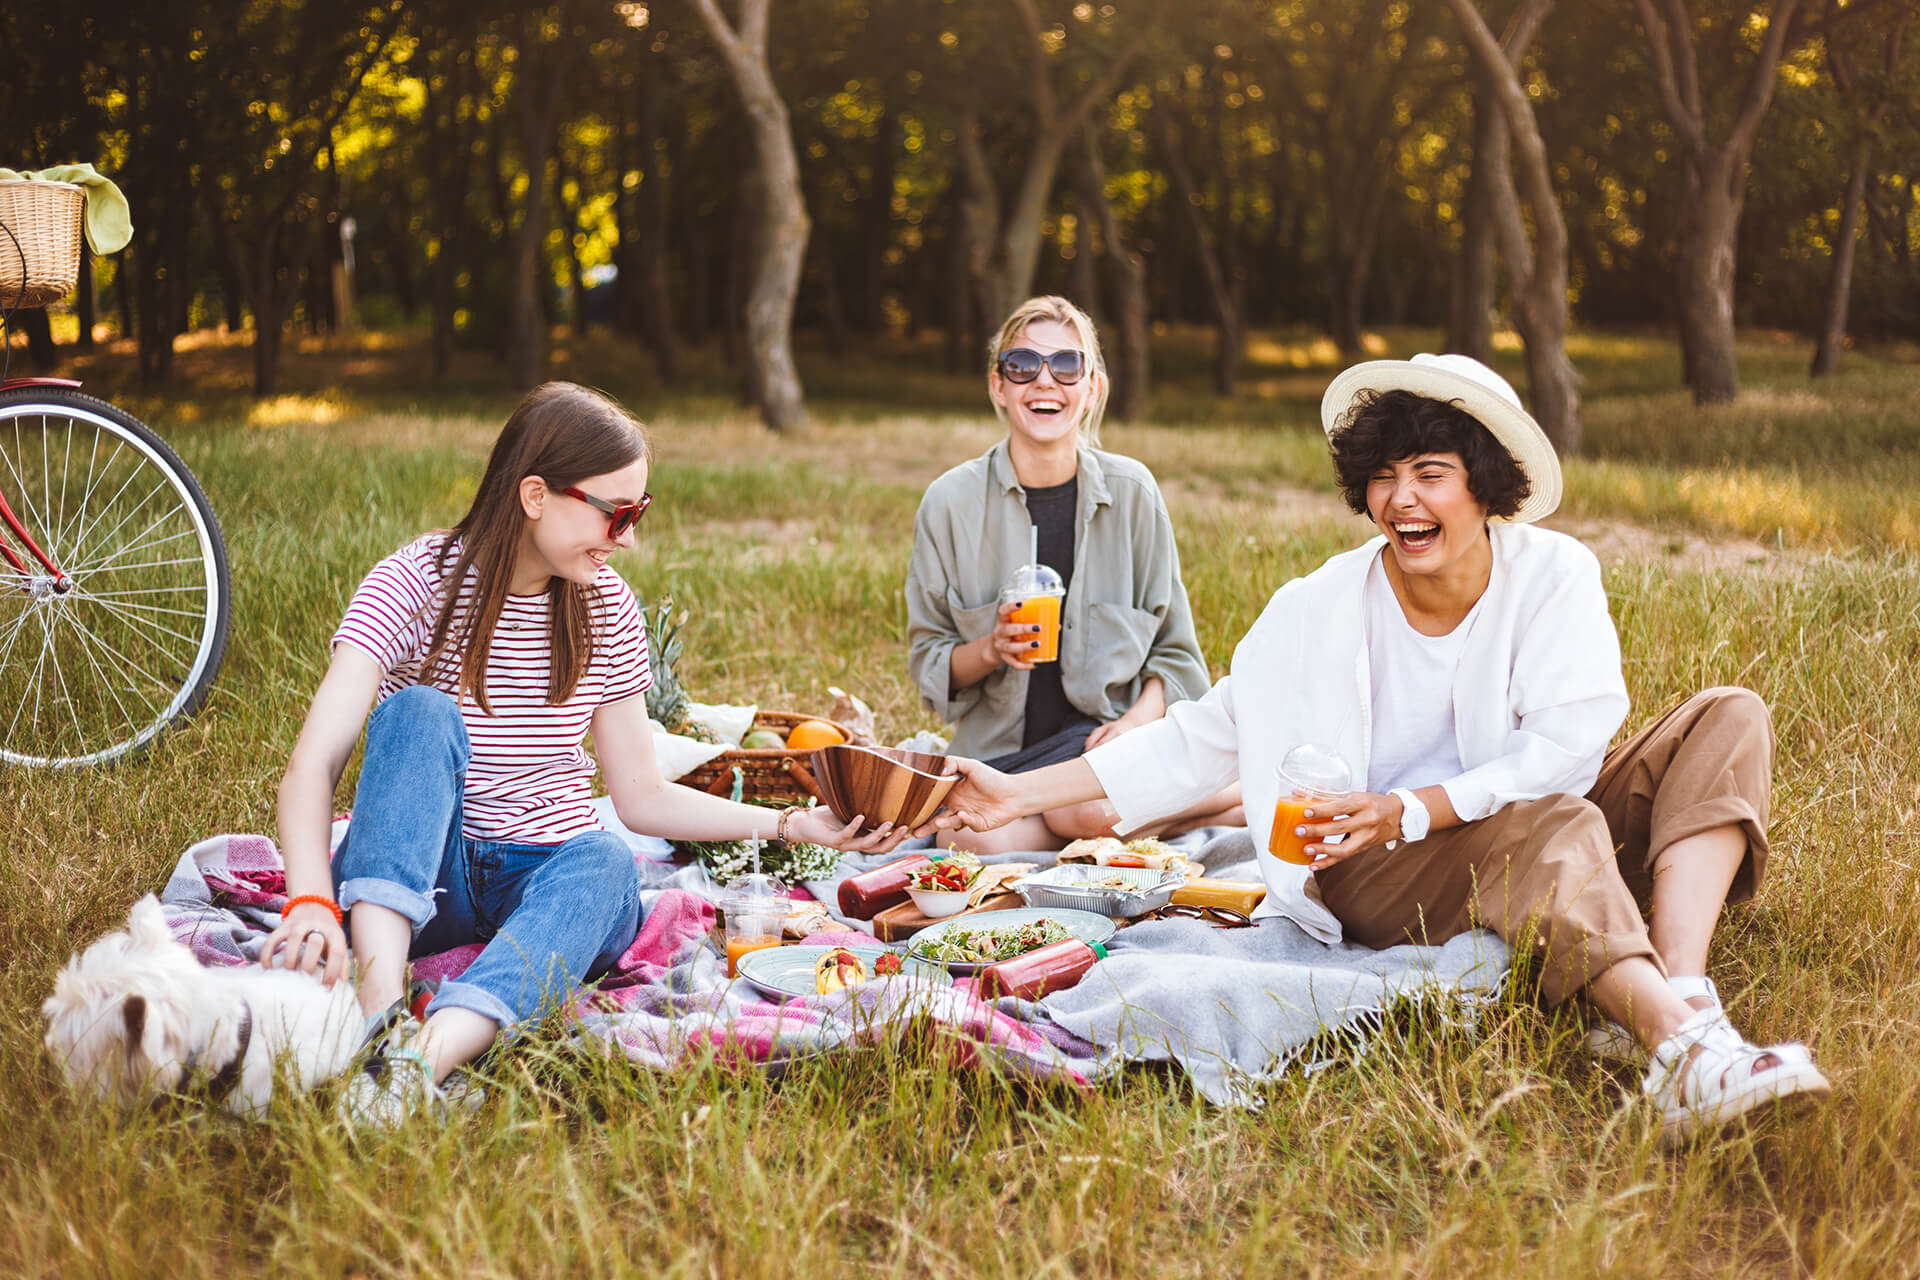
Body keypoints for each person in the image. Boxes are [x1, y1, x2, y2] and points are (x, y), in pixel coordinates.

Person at [924, 353, 1830, 1145]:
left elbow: (1568, 748)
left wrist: (1420, 804)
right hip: (1368, 865)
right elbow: (1201, 739)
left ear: (1484, 485)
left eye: (1432, 473)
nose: (1403, 499)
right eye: (1385, 476)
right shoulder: (1316, 607)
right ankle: (1680, 1047)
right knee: (1542, 823)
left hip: (1513, 824)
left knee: (1729, 714)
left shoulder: (1554, 576)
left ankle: (1685, 997)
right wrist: (1017, 796)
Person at [259, 382, 902, 1125]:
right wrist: (308, 899)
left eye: (641, 512)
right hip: (421, 879)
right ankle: (377, 1014)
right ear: (535, 494)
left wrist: (791, 827)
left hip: (545, 875)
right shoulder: (414, 583)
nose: (628, 538)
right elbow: (314, 764)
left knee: (605, 861)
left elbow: (642, 797)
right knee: (416, 713)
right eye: (616, 513)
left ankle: (419, 1061)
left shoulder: (606, 607)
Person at [905, 295, 1240, 853]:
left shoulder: (1134, 494)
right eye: (1022, 365)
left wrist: (1134, 727)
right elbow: (929, 664)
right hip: (1004, 762)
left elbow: (1176, 655)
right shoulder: (949, 503)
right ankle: (1226, 805)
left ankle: (1180, 802)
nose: (1044, 382)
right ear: (998, 386)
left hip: (1106, 747)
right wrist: (991, 649)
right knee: (976, 844)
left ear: (1093, 389)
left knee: (1085, 805)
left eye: (1066, 365)